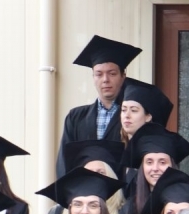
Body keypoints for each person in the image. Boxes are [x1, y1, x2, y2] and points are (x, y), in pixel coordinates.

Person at [56, 35, 142, 176]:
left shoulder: (133, 116)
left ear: (123, 76)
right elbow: (64, 163)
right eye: (99, 74)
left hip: (123, 189)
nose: (105, 80)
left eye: (112, 73)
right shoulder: (76, 117)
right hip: (85, 188)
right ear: (93, 77)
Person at [115, 123, 189, 214]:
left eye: (162, 162)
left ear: (172, 166)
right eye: (149, 162)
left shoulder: (186, 208)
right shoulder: (128, 211)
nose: (155, 168)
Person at [117, 78, 174, 146]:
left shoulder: (156, 150)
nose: (127, 115)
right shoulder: (117, 147)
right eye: (123, 110)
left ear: (148, 117)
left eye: (134, 110)